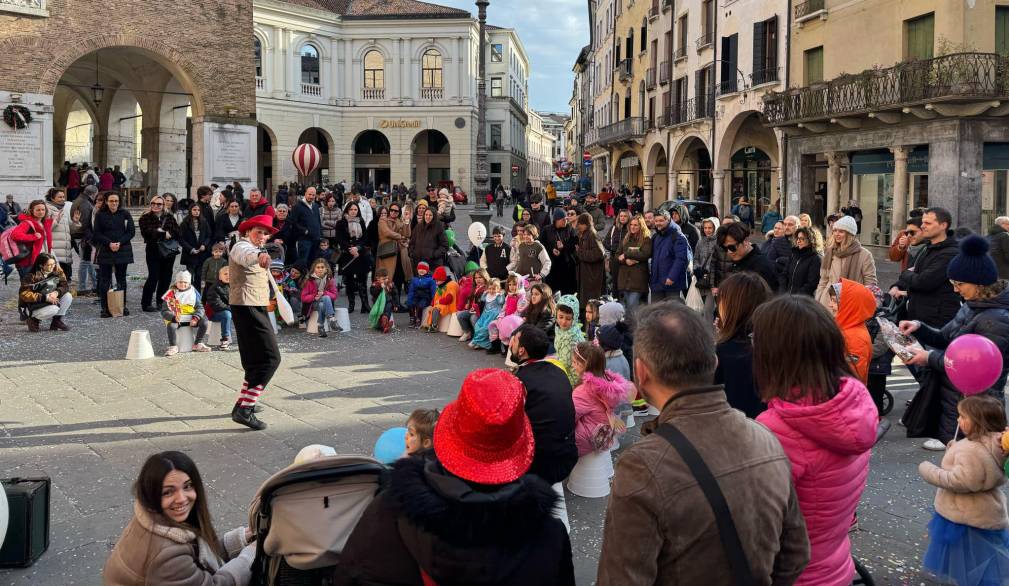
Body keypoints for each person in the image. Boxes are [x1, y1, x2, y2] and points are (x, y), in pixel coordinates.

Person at [597, 301, 810, 584]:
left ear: (641, 372)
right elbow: (796, 554)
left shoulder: (641, 465)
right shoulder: (765, 438)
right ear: (715, 362)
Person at [338, 369, 575, 586]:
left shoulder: (391, 510)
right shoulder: (548, 537)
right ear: (520, 449)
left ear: (447, 436)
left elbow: (350, 574)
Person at [753, 295, 877, 586]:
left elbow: (758, 526)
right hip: (835, 562)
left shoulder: (776, 428)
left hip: (795, 574)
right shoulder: (853, 401)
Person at [900, 235, 1009, 449]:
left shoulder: (996, 318)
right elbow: (945, 338)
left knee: (975, 468)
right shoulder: (972, 304)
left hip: (979, 407)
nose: (955, 289)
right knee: (959, 465)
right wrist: (920, 328)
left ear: (979, 283)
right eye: (952, 283)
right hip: (958, 402)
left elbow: (973, 367)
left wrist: (929, 358)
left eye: (959, 284)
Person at [102, 451, 256, 585]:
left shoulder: (150, 516)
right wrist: (249, 555)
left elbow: (201, 558)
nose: (182, 498)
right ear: (153, 494)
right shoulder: (167, 555)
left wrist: (241, 538)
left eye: (188, 486)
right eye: (168, 492)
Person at [918, 395, 1009, 585]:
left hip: (965, 515)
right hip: (987, 511)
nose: (958, 420)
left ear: (978, 422)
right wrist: (955, 448)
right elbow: (981, 466)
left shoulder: (970, 450)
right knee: (982, 559)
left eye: (963, 416)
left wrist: (929, 471)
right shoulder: (999, 442)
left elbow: (961, 481)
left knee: (966, 561)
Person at [511, 324, 579, 519]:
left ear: (522, 350)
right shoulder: (558, 371)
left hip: (539, 464)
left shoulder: (520, 381)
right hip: (568, 454)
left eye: (514, 341)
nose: (511, 345)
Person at [228, 215, 282, 430]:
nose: (262, 236)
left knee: (253, 361)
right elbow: (246, 255)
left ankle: (243, 403)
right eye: (258, 231)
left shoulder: (256, 247)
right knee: (270, 359)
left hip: (252, 306)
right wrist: (259, 254)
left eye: (266, 233)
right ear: (248, 232)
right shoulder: (241, 246)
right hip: (247, 306)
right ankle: (245, 409)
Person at [891, 207, 961, 328]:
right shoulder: (927, 248)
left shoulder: (950, 252)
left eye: (928, 223)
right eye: (923, 222)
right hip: (918, 317)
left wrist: (906, 273)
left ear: (943, 225)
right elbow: (914, 275)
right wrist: (897, 285)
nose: (923, 226)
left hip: (936, 321)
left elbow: (923, 281)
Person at [714, 273, 771, 418]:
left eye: (719, 300)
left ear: (731, 306)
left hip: (736, 432)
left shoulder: (724, 352)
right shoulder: (773, 344)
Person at [571, 342, 631, 456]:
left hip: (585, 442)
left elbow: (569, 418)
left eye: (575, 362)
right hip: (603, 433)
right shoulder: (608, 381)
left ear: (586, 365)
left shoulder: (583, 392)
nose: (572, 365)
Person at [813, 215, 877, 308]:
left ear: (850, 234)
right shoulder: (830, 252)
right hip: (827, 302)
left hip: (851, 302)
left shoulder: (864, 255)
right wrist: (817, 301)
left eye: (841, 231)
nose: (837, 234)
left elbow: (870, 284)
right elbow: (823, 280)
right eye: (835, 230)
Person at [91, 193, 135, 317]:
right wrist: (109, 243)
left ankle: (122, 305)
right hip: (106, 249)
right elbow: (97, 233)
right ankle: (105, 308)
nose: (114, 203)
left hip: (123, 249)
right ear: (106, 201)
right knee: (105, 280)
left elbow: (131, 232)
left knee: (121, 280)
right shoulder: (100, 214)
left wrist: (119, 243)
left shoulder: (125, 213)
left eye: (116, 200)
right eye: (111, 201)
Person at [825, 279, 876, 384]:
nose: (830, 305)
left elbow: (852, 378)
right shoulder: (847, 326)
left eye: (834, 301)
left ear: (849, 306)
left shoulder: (855, 338)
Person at [139, 196, 180, 312]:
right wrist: (162, 234)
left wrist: (165, 233)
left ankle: (161, 301)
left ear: (163, 205)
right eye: (153, 203)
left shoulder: (169, 217)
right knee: (153, 276)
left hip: (168, 252)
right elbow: (147, 233)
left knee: (166, 277)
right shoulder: (145, 217)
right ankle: (146, 303)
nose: (156, 206)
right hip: (153, 251)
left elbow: (177, 231)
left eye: (159, 204)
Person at [717, 221, 779, 291]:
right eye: (724, 248)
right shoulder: (735, 263)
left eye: (732, 247)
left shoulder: (762, 266)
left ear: (745, 241)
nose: (729, 252)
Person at [161, 270, 212, 356]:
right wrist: (173, 317)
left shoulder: (193, 292)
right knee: (171, 326)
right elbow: (164, 310)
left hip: (191, 317)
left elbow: (200, 307)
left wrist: (196, 317)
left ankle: (197, 343)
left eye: (185, 282)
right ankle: (173, 346)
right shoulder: (171, 293)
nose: (183, 284)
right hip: (176, 318)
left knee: (205, 323)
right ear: (176, 282)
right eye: (180, 282)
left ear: (189, 283)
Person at [18, 252, 72, 332]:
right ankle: (33, 319)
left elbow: (65, 286)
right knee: (54, 309)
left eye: (53, 264)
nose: (52, 266)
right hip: (32, 304)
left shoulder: (57, 270)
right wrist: (45, 297)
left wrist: (56, 292)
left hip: (51, 297)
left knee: (68, 296)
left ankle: (56, 321)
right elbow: (24, 294)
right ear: (41, 265)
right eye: (49, 265)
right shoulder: (31, 275)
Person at [336, 201, 373, 313]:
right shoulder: (341, 222)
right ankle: (351, 304)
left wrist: (358, 248)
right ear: (347, 210)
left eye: (355, 210)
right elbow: (340, 239)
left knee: (362, 279)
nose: (353, 211)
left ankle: (365, 304)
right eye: (351, 209)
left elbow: (365, 237)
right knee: (350, 281)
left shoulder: (361, 221)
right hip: (347, 254)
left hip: (360, 253)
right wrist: (350, 249)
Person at [649, 210, 691, 303]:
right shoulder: (656, 236)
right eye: (656, 221)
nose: (658, 223)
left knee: (672, 312)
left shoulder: (678, 236)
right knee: (656, 312)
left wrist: (672, 277)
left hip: (672, 284)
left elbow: (681, 259)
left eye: (661, 221)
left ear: (668, 220)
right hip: (657, 283)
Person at [376, 202, 411, 310]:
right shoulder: (383, 220)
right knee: (387, 279)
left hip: (399, 254)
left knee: (399, 278)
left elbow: (407, 234)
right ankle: (386, 304)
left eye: (396, 211)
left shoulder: (400, 222)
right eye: (391, 210)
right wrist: (400, 237)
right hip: (387, 254)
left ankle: (397, 304)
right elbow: (387, 233)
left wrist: (406, 221)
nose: (393, 212)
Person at [616, 214, 652, 315]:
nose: (633, 227)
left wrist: (626, 254)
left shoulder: (646, 239)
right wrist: (625, 260)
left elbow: (645, 254)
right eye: (631, 224)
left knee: (632, 310)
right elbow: (617, 255)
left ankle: (633, 330)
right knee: (623, 311)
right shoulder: (626, 238)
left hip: (637, 281)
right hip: (623, 280)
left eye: (636, 225)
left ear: (641, 226)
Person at [178, 202, 212, 293]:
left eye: (198, 210)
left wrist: (204, 245)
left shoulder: (204, 222)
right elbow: (181, 239)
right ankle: (188, 294)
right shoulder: (185, 223)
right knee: (189, 276)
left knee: (199, 276)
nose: (196, 212)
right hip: (190, 254)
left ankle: (197, 296)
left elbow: (208, 235)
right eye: (194, 210)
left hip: (201, 254)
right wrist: (191, 249)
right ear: (190, 210)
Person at [301, 258, 339, 338]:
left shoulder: (330, 280)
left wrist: (324, 293)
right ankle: (332, 319)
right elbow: (303, 298)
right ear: (314, 269)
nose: (320, 269)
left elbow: (335, 295)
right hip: (312, 304)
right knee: (325, 299)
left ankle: (321, 327)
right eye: (318, 267)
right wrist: (315, 296)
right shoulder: (309, 280)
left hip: (324, 303)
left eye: (322, 267)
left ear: (326, 269)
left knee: (324, 301)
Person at [553, 295, 586, 387]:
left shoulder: (571, 336)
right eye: (561, 317)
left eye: (568, 319)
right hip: (564, 370)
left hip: (573, 377)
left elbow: (565, 363)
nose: (563, 322)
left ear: (574, 318)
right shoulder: (562, 330)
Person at [574, 213, 605, 309]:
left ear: (586, 224)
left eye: (580, 224)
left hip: (592, 276)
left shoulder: (592, 235)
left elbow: (599, 254)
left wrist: (580, 252)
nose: (578, 226)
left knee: (591, 303)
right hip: (587, 274)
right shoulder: (585, 234)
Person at [692, 217, 720, 321]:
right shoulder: (700, 242)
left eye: (710, 228)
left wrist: (707, 270)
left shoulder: (719, 242)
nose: (707, 230)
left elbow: (717, 260)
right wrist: (696, 269)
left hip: (713, 280)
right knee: (700, 309)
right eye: (705, 228)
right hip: (701, 280)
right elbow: (695, 258)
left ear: (715, 228)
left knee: (708, 310)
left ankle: (709, 334)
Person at [44, 188, 75, 280]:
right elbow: (46, 229)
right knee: (56, 279)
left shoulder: (63, 210)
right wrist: (56, 220)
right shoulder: (47, 210)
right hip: (55, 252)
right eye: (59, 197)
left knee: (66, 279)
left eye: (63, 197)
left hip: (66, 252)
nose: (63, 199)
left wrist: (75, 222)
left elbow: (67, 229)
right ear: (52, 198)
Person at [782, 226, 822, 296]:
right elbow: (784, 274)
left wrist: (796, 296)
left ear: (811, 240)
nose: (798, 241)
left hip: (803, 300)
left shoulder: (815, 258)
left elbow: (812, 284)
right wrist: (784, 292)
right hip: (788, 297)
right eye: (798, 238)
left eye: (802, 239)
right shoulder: (793, 254)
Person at [290, 187, 322, 266]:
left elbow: (318, 221)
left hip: (315, 239)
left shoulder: (315, 206)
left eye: (313, 195)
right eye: (309, 194)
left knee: (313, 262)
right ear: (305, 194)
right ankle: (302, 278)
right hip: (304, 240)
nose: (311, 197)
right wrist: (304, 231)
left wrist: (320, 233)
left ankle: (310, 278)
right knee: (302, 261)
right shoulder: (297, 206)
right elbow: (293, 222)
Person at [470, 278, 504, 350]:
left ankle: (477, 342)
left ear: (498, 288)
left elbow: (501, 302)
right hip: (485, 314)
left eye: (494, 289)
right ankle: (479, 342)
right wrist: (485, 293)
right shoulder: (487, 294)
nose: (491, 291)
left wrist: (500, 294)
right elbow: (482, 299)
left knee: (485, 328)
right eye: (490, 288)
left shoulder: (498, 296)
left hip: (493, 315)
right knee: (477, 325)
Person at [205, 265, 233, 350]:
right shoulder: (215, 287)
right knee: (226, 314)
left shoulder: (233, 286)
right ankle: (225, 339)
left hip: (228, 309)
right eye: (225, 274)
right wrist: (231, 309)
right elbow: (216, 304)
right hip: (214, 313)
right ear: (220, 277)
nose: (228, 276)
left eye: (230, 274)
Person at [423, 266, 457, 332]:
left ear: (442, 279)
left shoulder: (451, 285)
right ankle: (429, 324)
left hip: (449, 305)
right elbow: (435, 297)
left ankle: (434, 326)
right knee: (431, 308)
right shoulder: (440, 286)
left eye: (437, 281)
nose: (436, 282)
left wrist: (439, 301)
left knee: (436, 309)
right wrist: (432, 304)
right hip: (442, 304)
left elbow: (449, 298)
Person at [605, 209, 631, 296]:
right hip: (614, 260)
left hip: (626, 259)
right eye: (621, 216)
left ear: (629, 217)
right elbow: (605, 242)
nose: (622, 218)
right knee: (615, 283)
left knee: (626, 283)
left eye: (625, 216)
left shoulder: (631, 229)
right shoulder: (613, 228)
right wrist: (613, 249)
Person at [406, 261, 437, 329]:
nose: (421, 270)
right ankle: (412, 318)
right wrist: (409, 298)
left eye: (424, 269)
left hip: (425, 297)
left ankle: (418, 319)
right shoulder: (414, 279)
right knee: (410, 303)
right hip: (416, 296)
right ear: (417, 270)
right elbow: (411, 290)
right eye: (420, 269)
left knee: (420, 305)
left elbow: (433, 291)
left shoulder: (431, 280)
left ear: (427, 270)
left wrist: (433, 301)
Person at [369, 267, 396, 334]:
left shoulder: (390, 284)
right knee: (380, 312)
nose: (386, 280)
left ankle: (385, 320)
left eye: (387, 278)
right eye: (384, 279)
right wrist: (380, 287)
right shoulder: (375, 284)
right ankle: (384, 324)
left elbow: (395, 294)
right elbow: (373, 293)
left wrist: (396, 304)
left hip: (388, 301)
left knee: (388, 309)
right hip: (378, 304)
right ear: (378, 278)